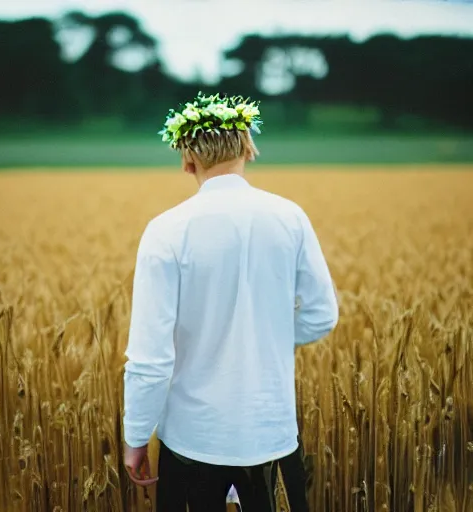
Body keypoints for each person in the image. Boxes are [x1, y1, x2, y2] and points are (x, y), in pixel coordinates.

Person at [123, 92, 339, 511]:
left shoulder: (166, 230)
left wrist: (135, 438)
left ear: (187, 160)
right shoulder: (290, 217)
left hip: (193, 438)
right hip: (272, 433)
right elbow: (321, 315)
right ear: (247, 148)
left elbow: (150, 359)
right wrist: (268, 332)